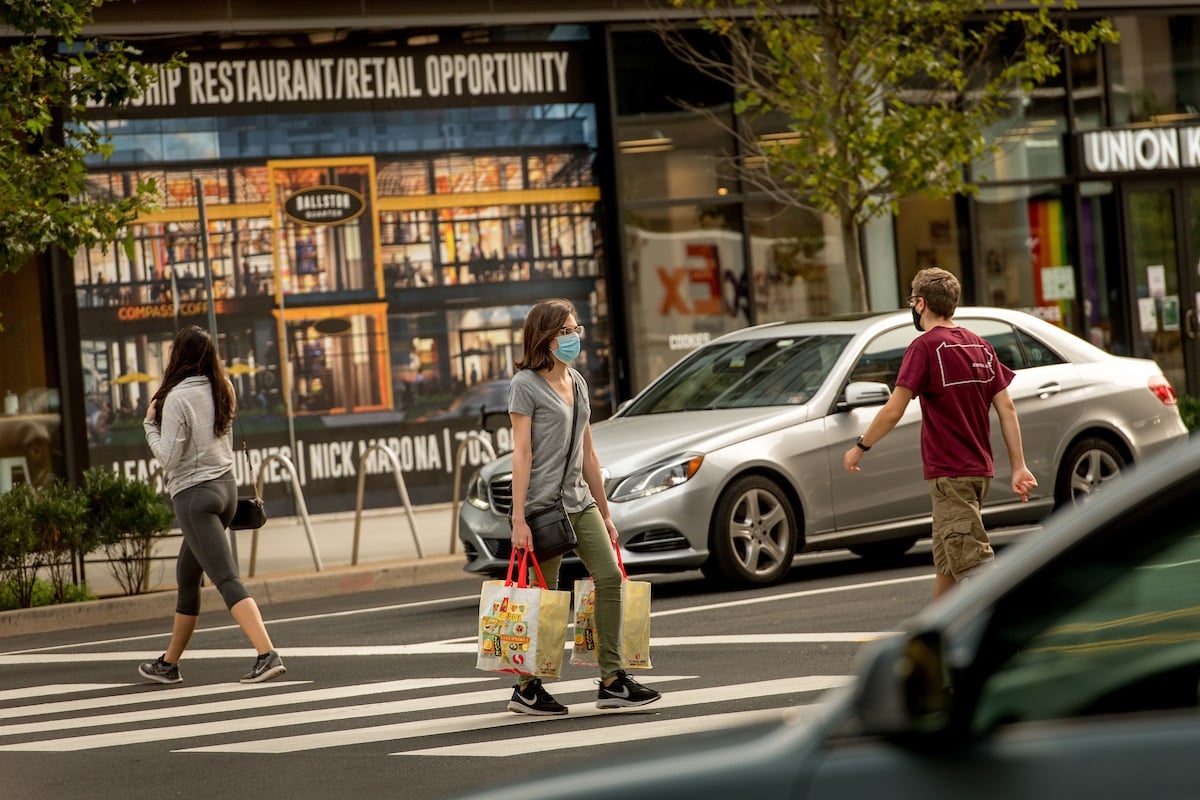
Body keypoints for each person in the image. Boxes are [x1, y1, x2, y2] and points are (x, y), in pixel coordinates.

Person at [842, 268, 1038, 600]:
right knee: (949, 566)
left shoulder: (924, 347)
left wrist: (861, 446)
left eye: (911, 301)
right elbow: (1007, 408)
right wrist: (1018, 465)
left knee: (975, 567)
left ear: (920, 304)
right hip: (978, 472)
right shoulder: (980, 346)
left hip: (950, 475)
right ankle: (937, 641)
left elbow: (894, 409)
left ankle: (1009, 637)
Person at [506, 298, 661, 715]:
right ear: (546, 337)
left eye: (577, 330)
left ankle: (612, 679)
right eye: (567, 331)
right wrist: (519, 517)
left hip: (579, 499)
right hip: (541, 507)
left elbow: (589, 453)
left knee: (609, 576)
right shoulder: (525, 385)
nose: (575, 338)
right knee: (545, 598)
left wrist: (607, 514)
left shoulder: (576, 382)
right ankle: (527, 687)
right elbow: (522, 453)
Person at [139, 325, 286, 685]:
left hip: (195, 498)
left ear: (178, 357)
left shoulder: (176, 399)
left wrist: (148, 425)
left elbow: (169, 459)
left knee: (226, 579)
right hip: (226, 492)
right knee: (187, 576)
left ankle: (267, 654)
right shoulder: (224, 388)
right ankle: (169, 664)